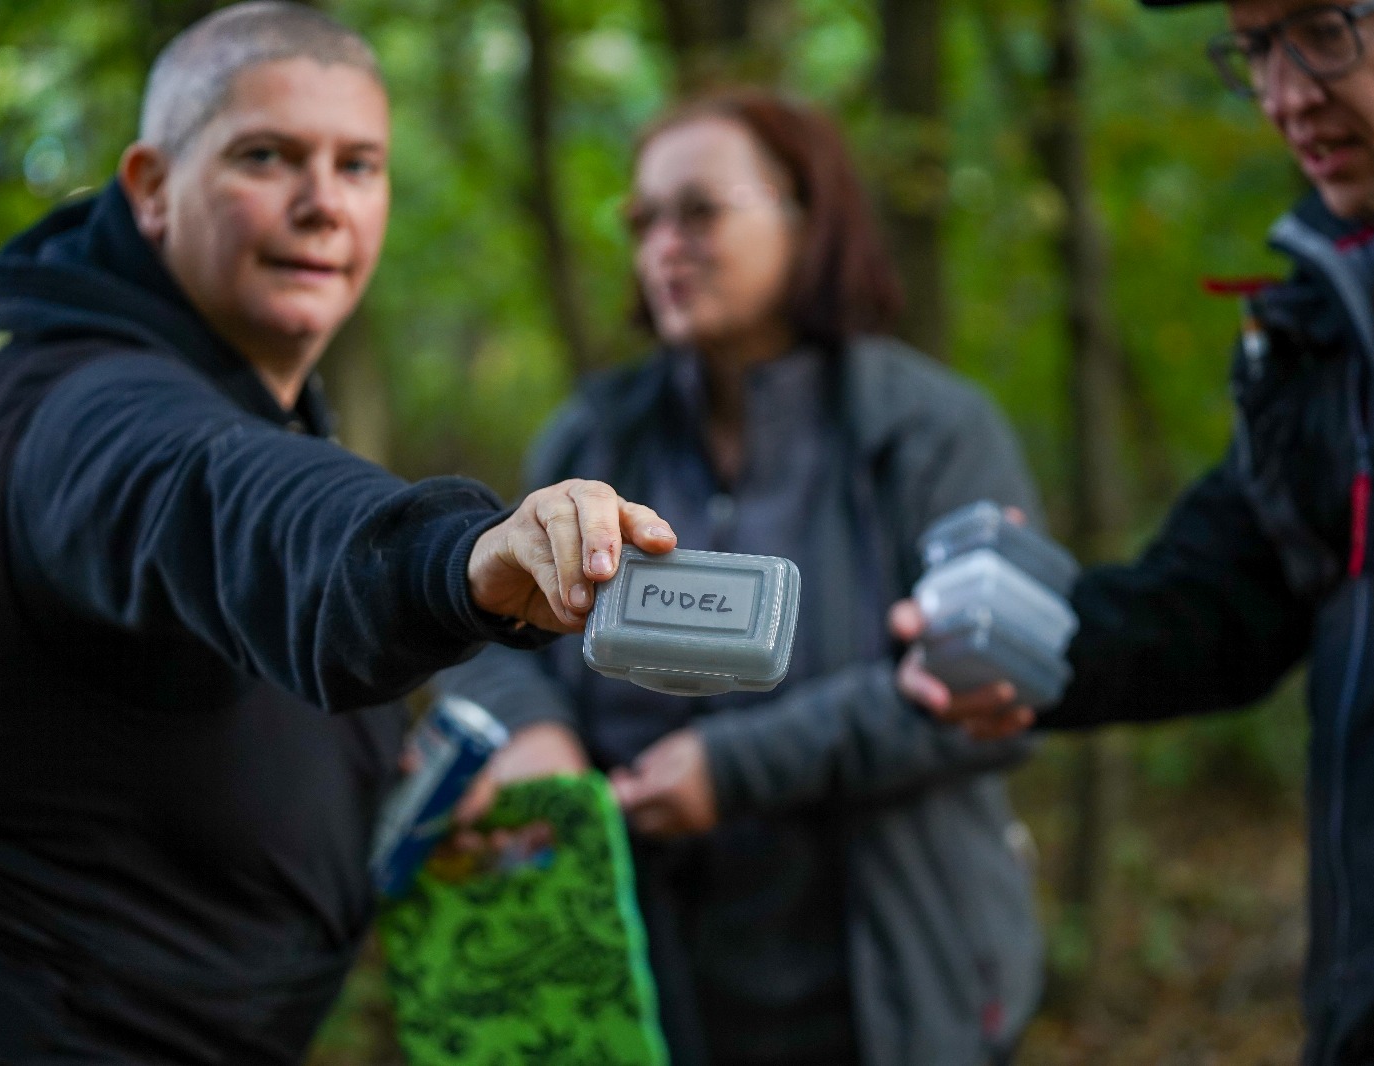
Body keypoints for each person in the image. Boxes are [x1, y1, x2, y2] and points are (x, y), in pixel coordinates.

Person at [0, 4, 678, 1063]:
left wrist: (400, 779)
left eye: (358, 165)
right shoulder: (78, 411)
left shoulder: (244, 394)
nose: (322, 202)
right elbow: (238, 503)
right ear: (151, 186)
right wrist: (455, 558)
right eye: (266, 156)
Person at [896, 0, 1374, 1061]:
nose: (1284, 96)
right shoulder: (1340, 305)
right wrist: (1030, 647)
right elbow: (1231, 592)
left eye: (1323, 30)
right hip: (1373, 1003)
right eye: (1256, 48)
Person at [440, 91, 1043, 1066]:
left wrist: (735, 769)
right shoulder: (595, 437)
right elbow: (487, 630)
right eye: (644, 220)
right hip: (648, 974)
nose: (662, 247)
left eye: (699, 212)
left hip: (889, 979)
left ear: (807, 218)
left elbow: (993, 685)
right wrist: (529, 727)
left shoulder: (930, 432)